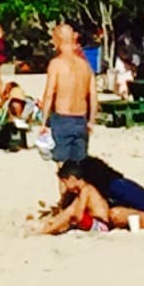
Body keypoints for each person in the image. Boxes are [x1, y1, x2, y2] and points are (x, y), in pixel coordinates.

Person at [40, 20, 97, 174]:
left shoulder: (56, 64)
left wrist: (43, 121)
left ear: (57, 40)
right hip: (81, 119)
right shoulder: (85, 65)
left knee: (63, 167)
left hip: (63, 118)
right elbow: (93, 94)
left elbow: (49, 94)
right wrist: (91, 121)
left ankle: (65, 191)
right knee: (79, 167)